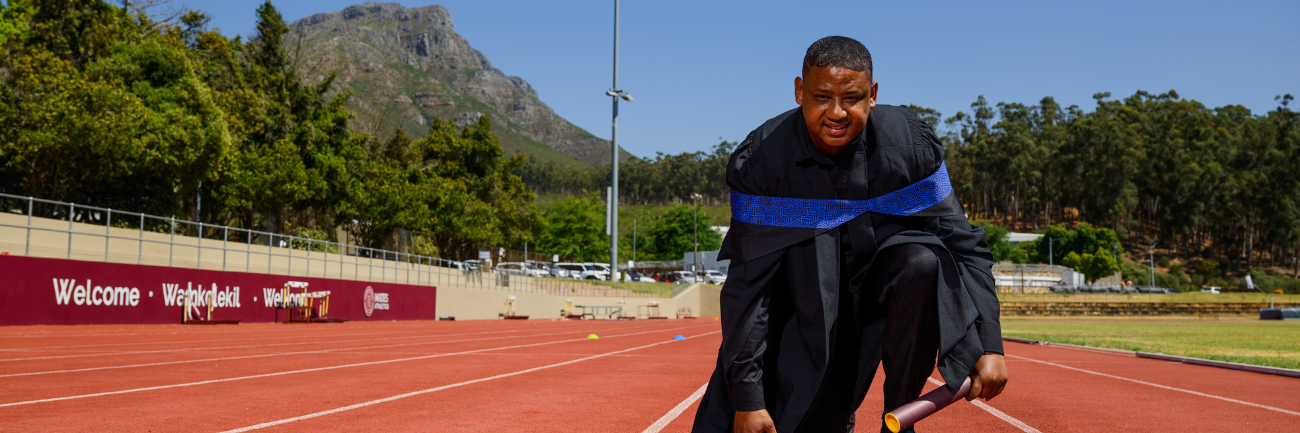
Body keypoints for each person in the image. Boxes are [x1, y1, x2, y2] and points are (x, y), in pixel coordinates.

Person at [692, 36, 1007, 433]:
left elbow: (965, 244)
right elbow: (749, 289)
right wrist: (748, 399)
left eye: (852, 98)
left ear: (872, 95)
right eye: (822, 97)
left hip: (878, 295)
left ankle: (901, 417)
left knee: (922, 261)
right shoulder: (763, 162)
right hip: (796, 302)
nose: (836, 113)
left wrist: (990, 344)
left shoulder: (909, 146)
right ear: (798, 91)